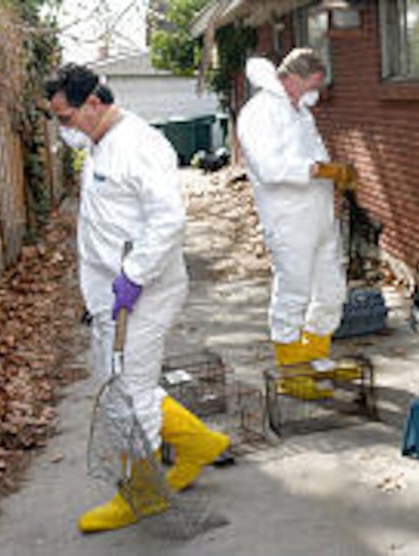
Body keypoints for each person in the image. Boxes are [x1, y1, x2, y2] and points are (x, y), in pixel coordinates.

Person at [44, 64, 230, 534]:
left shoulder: (143, 146)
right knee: (119, 379)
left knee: (129, 393)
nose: (63, 129)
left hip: (144, 292)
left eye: (66, 117)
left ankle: (139, 495)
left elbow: (167, 221)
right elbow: (81, 145)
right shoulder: (96, 138)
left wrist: (134, 274)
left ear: (93, 104)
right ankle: (198, 443)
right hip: (110, 292)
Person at [237, 48, 354, 377]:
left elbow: (316, 154)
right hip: (287, 217)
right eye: (309, 85)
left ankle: (316, 355)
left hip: (319, 215)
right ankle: (290, 369)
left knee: (331, 288)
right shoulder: (259, 112)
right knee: (294, 290)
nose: (312, 94)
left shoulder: (300, 111)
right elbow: (268, 167)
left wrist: (333, 181)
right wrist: (318, 170)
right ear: (289, 78)